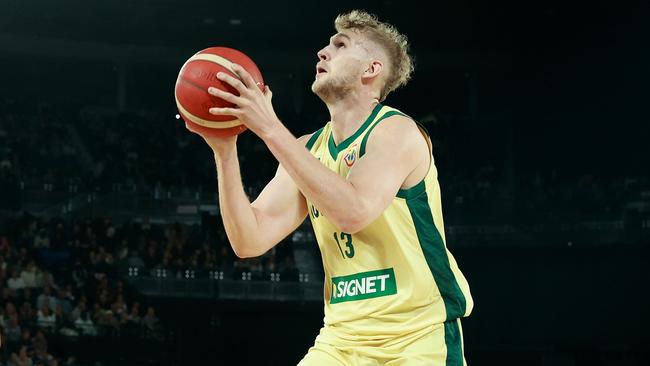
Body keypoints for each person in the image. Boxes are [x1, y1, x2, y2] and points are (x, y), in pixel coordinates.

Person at [187, 9, 473, 365]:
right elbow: (249, 239)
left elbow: (354, 212)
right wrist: (225, 150)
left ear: (372, 70)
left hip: (415, 337)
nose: (322, 52)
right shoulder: (309, 149)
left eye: (340, 45)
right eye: (326, 45)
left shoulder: (396, 132)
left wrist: (268, 126)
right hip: (341, 341)